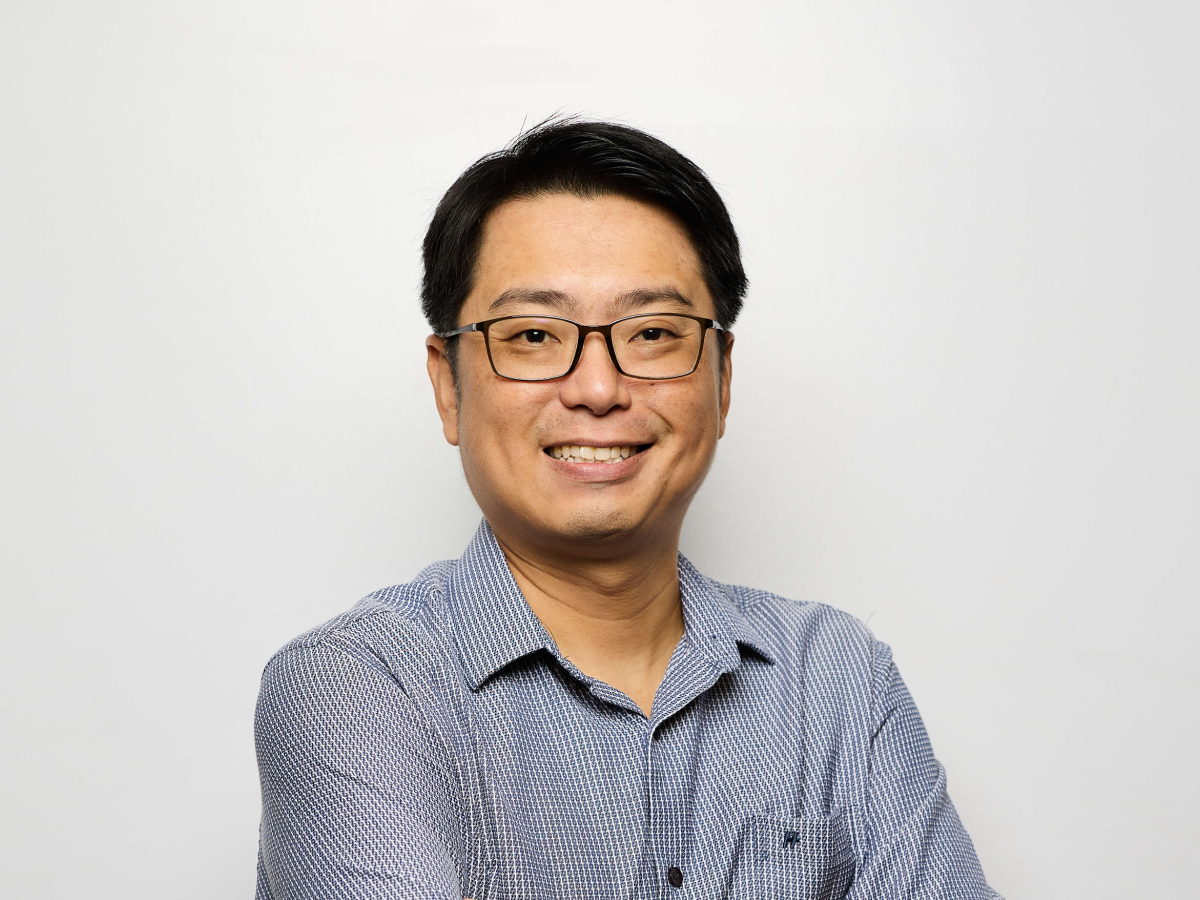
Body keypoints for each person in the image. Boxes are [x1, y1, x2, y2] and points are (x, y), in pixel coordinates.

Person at [254, 119, 1000, 900]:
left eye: (651, 333)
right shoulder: (358, 689)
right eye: (535, 334)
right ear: (448, 386)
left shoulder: (838, 679)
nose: (599, 389)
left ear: (721, 379)